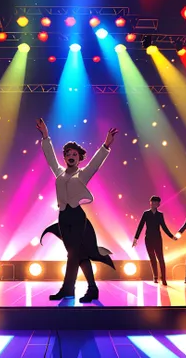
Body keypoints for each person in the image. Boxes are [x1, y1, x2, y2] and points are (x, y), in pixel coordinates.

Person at [37, 118, 118, 303]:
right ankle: (91, 288)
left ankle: (67, 289)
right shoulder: (59, 173)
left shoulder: (83, 174)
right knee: (79, 255)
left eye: (74, 154)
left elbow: (96, 163)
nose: (71, 156)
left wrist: (106, 145)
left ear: (79, 157)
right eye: (67, 154)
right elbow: (50, 158)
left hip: (77, 217)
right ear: (64, 157)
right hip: (63, 217)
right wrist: (46, 136)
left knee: (73, 254)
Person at [133, 196, 176, 285]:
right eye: (154, 202)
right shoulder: (146, 213)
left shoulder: (160, 215)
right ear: (150, 202)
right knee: (152, 258)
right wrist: (136, 238)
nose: (155, 204)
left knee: (160, 258)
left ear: (159, 204)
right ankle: (155, 276)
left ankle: (163, 278)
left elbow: (164, 226)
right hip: (148, 238)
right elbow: (140, 226)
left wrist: (171, 236)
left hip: (157, 239)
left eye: (157, 203)